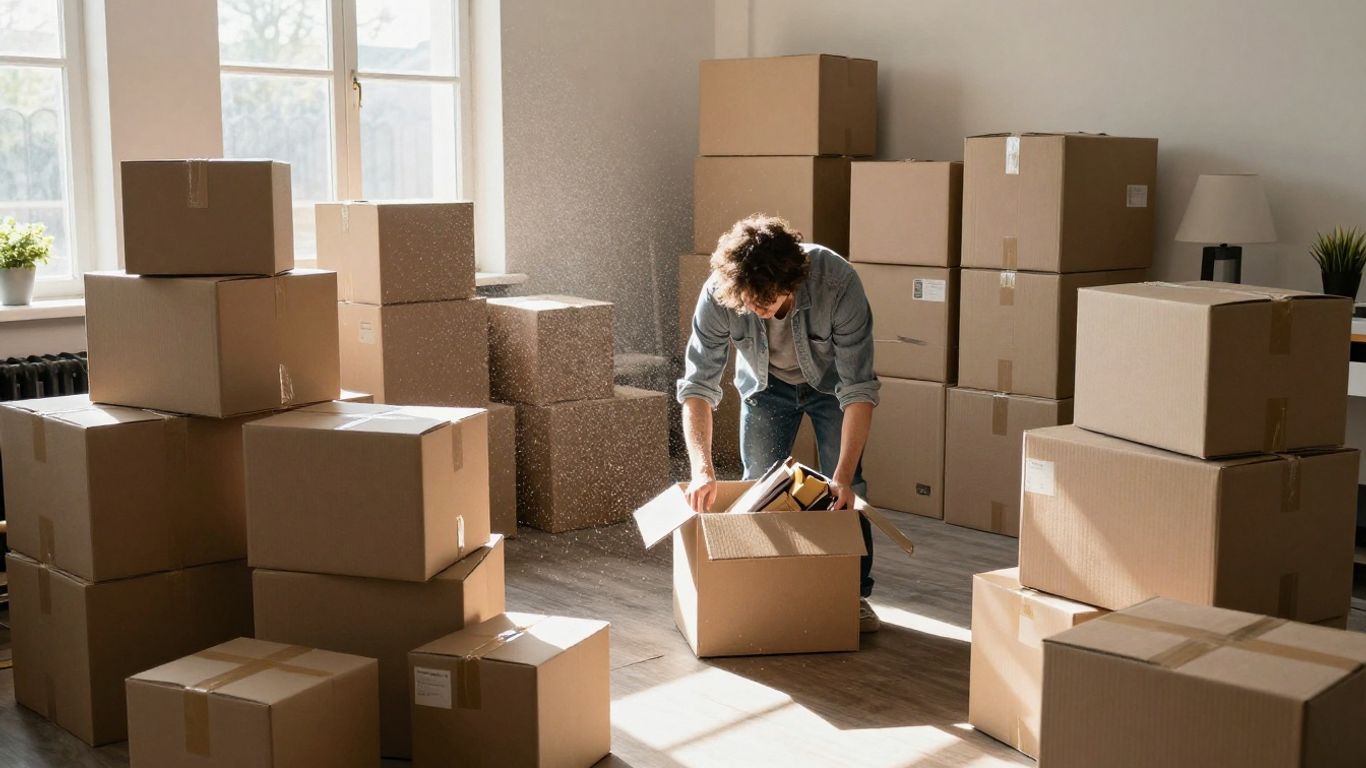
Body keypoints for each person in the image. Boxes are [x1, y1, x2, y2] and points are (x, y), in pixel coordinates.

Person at [676, 214, 882, 632]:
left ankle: (852, 594)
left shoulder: (836, 283)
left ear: (791, 283)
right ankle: (767, 586)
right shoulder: (720, 292)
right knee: (760, 487)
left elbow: (859, 390)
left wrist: (841, 475)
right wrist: (701, 469)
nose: (753, 309)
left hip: (833, 389)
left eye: (763, 303)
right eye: (746, 302)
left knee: (845, 491)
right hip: (765, 388)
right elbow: (697, 385)